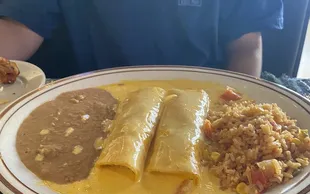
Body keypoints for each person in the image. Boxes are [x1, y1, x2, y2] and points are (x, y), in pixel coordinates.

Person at [0, 0, 283, 77]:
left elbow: (246, 45)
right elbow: (20, 28)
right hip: (91, 105)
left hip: (204, 99)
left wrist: (237, 114)